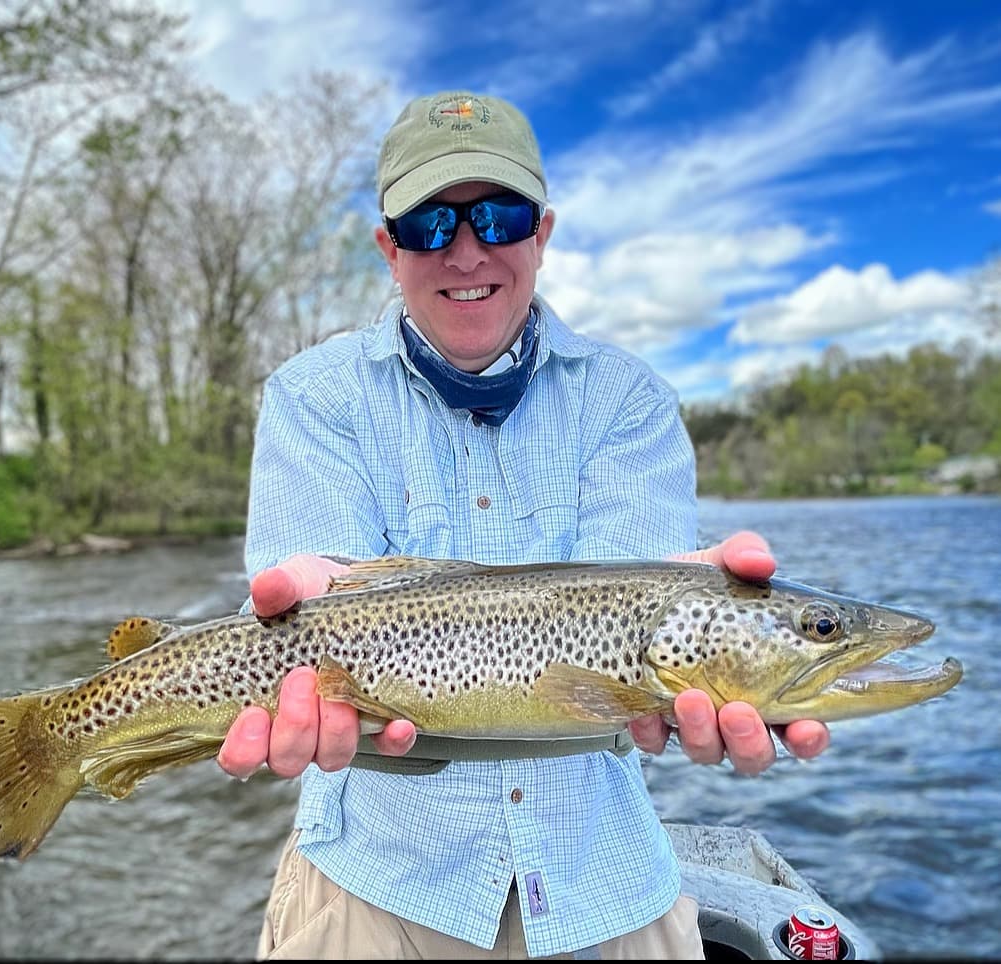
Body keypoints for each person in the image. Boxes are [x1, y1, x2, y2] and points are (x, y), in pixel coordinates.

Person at [217, 90, 831, 960]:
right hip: (375, 877)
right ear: (389, 249)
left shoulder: (630, 401)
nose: (466, 250)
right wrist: (313, 605)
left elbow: (637, 607)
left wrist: (727, 659)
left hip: (601, 873)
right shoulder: (313, 396)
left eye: (497, 217)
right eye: (431, 225)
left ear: (540, 233)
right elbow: (296, 590)